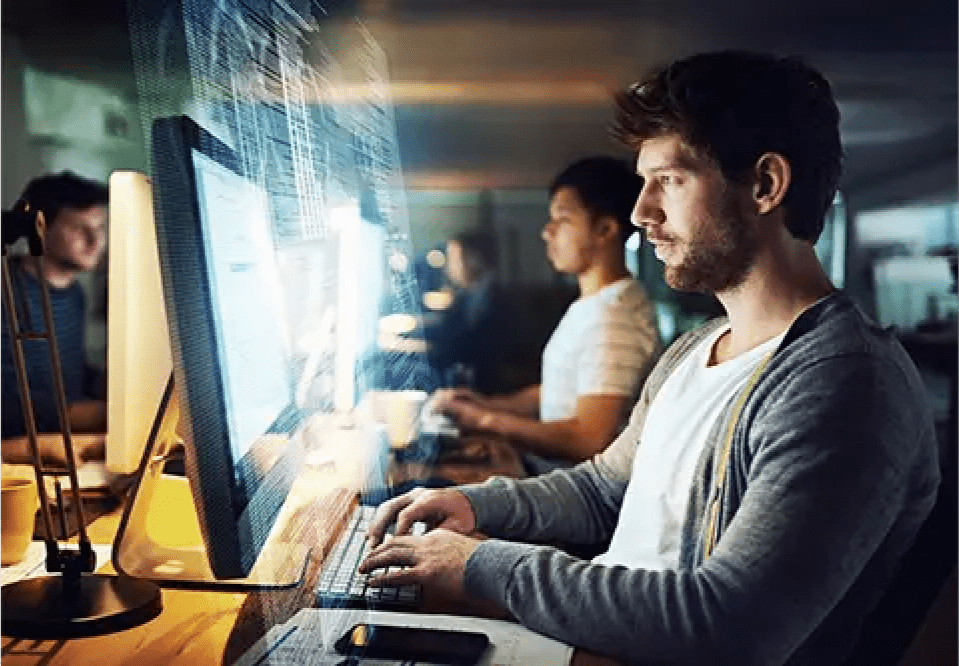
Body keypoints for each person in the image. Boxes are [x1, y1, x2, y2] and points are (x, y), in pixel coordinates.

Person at [358, 51, 941, 666]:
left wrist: (484, 564)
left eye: (670, 180)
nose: (641, 213)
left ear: (766, 185)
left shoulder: (844, 382)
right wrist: (479, 505)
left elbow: (724, 626)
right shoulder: (694, 351)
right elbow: (604, 488)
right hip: (589, 644)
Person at [435, 157, 661, 474]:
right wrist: (485, 405)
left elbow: (590, 438)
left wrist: (486, 421)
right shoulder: (595, 303)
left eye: (562, 219)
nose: (547, 231)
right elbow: (563, 389)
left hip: (572, 498)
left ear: (606, 230)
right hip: (549, 476)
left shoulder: (613, 318)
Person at [1, 172, 109, 447]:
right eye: (78, 228)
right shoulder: (7, 291)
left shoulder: (74, 294)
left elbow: (67, 375)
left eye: (100, 228)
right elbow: (11, 405)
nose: (95, 241)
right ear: (41, 229)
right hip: (23, 451)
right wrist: (105, 415)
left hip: (66, 435)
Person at [424, 229, 518, 395]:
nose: (448, 267)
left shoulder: (493, 299)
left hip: (485, 393)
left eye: (454, 258)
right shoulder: (468, 294)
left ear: (473, 260)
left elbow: (464, 347)